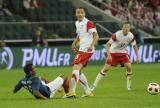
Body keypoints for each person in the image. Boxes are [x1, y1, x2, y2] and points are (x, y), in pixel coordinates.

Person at [91, 22, 139, 91]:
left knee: (129, 67)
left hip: (123, 52)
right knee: (105, 69)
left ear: (129, 28)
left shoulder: (131, 36)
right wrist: (109, 55)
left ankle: (128, 86)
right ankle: (94, 86)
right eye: (124, 27)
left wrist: (137, 56)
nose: (126, 28)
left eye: (127, 27)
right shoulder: (117, 34)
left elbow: (134, 46)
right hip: (113, 52)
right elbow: (107, 44)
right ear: (122, 28)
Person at [63, 7, 99, 98]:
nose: (80, 14)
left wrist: (91, 45)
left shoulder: (88, 23)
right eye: (78, 12)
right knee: (78, 72)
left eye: (81, 12)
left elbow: (96, 35)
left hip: (86, 49)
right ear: (75, 14)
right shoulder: (77, 23)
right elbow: (79, 35)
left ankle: (72, 92)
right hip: (82, 49)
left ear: (84, 14)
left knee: (75, 68)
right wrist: (74, 43)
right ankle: (88, 91)